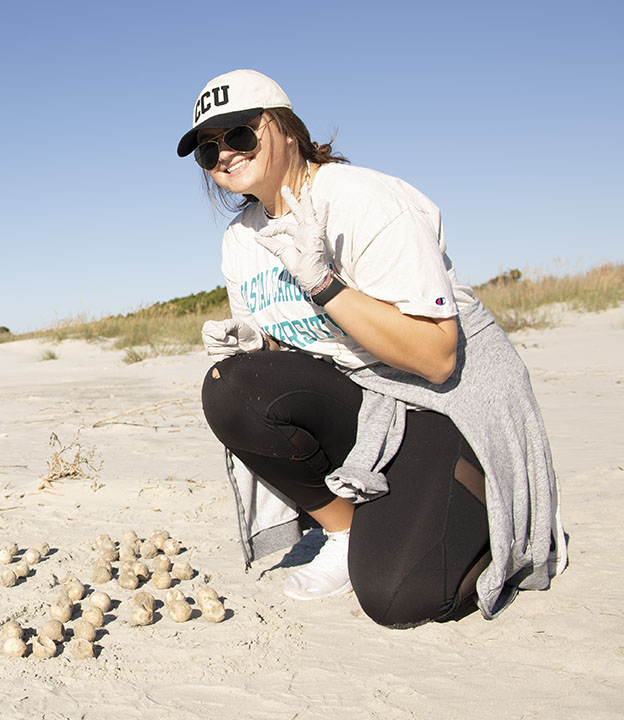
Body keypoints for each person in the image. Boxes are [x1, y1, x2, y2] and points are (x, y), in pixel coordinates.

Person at [177, 69, 567, 627]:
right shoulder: (241, 239)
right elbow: (297, 350)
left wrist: (326, 284)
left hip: (441, 399)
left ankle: (483, 497)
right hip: (365, 394)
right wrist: (254, 343)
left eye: (239, 135)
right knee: (233, 386)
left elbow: (437, 356)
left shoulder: (362, 200)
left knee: (398, 598)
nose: (224, 156)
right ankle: (346, 530)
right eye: (208, 150)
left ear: (286, 128)